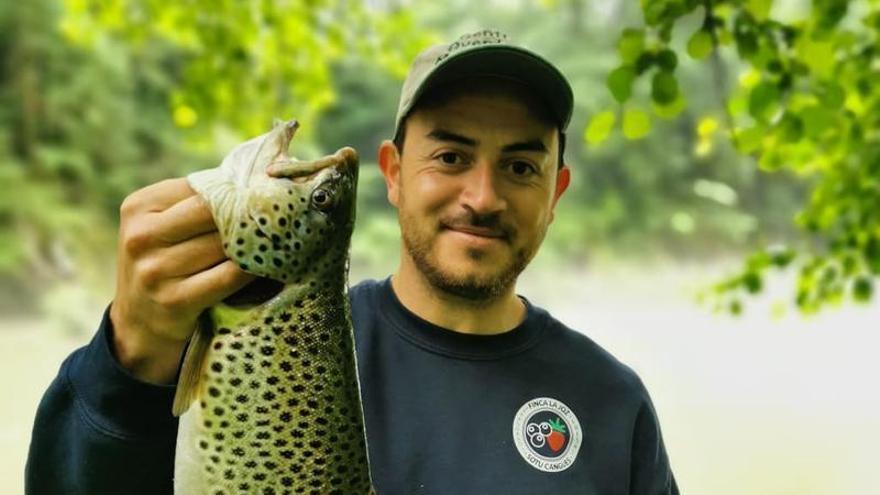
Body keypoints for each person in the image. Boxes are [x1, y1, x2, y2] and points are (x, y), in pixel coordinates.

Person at [26, 30, 678, 494]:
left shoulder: (612, 403)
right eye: (450, 156)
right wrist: (132, 356)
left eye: (520, 165)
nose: (482, 196)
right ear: (393, 174)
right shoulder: (246, 337)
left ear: (555, 192)